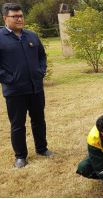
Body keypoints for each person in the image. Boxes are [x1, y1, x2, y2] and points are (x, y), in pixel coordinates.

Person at [0, 3, 53, 168]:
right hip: (15, 91)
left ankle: (42, 148)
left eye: (21, 15)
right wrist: (9, 78)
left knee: (39, 120)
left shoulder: (31, 36)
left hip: (35, 88)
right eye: (14, 16)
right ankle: (21, 156)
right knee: (18, 125)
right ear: (5, 18)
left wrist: (40, 71)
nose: (19, 19)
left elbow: (42, 56)